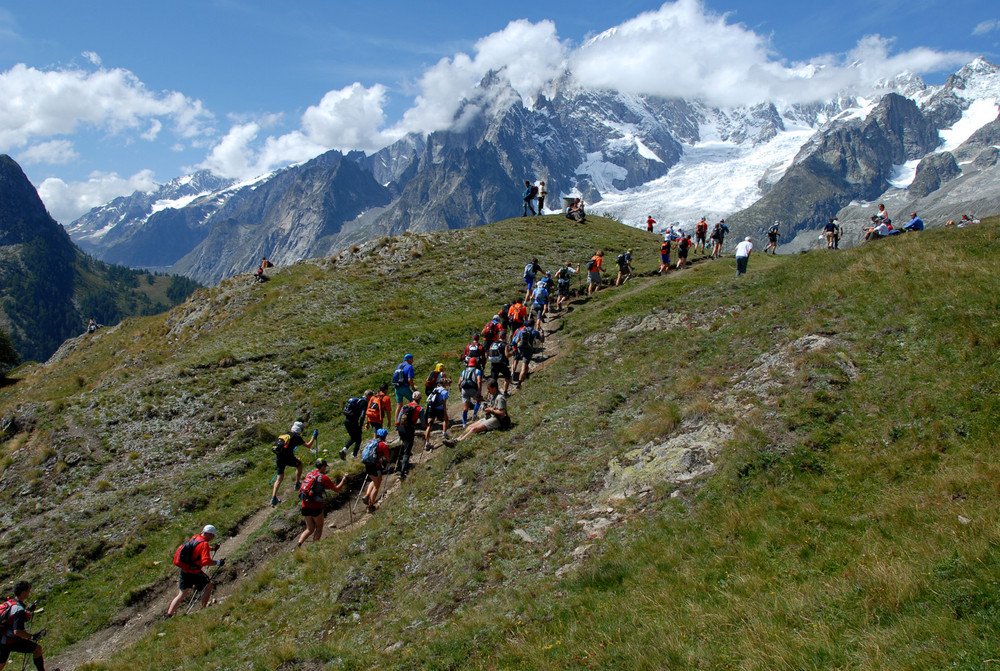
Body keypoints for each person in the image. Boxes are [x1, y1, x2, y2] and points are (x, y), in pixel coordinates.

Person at [167, 525, 225, 616]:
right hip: (195, 572)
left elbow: (196, 547)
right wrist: (218, 562)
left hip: (184, 570)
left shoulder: (195, 537)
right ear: (209, 534)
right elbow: (205, 561)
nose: (212, 538)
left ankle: (169, 615)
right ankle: (203, 610)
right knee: (208, 586)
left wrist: (212, 549)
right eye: (212, 535)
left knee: (182, 593)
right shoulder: (204, 544)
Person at [0, 581, 52, 671]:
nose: (29, 593)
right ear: (23, 592)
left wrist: (28, 610)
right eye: (28, 591)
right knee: (37, 649)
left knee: (1, 665)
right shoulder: (19, 609)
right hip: (9, 641)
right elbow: (17, 631)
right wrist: (31, 636)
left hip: (2, 638)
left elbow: (11, 617)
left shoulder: (10, 603)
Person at [296, 459, 346, 546]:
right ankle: (315, 547)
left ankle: (299, 545)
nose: (326, 468)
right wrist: (344, 479)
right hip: (316, 506)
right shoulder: (323, 478)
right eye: (325, 466)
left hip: (305, 504)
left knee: (309, 529)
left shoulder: (309, 474)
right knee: (319, 528)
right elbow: (337, 489)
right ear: (323, 466)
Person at [444, 379, 509, 443]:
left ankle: (459, 441)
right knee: (470, 426)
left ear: (494, 388)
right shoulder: (494, 395)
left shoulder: (500, 398)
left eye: (489, 389)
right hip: (490, 416)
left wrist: (491, 410)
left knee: (474, 429)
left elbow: (502, 413)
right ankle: (458, 438)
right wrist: (487, 408)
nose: (487, 390)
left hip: (497, 420)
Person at [270, 421, 315, 506]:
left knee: (279, 478)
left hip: (279, 458)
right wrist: (313, 436)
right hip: (288, 458)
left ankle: (273, 497)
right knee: (299, 465)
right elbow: (308, 445)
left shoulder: (285, 434)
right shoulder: (296, 437)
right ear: (300, 430)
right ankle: (297, 483)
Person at [394, 392, 424, 480]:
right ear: (420, 399)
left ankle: (400, 464)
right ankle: (403, 472)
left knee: (405, 444)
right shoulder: (420, 409)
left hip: (401, 428)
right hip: (409, 429)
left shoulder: (405, 407)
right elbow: (423, 423)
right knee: (408, 448)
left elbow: (399, 419)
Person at [361, 429, 391, 512]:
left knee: (373, 480)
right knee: (377, 485)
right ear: (385, 436)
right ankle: (371, 506)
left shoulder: (371, 441)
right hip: (376, 466)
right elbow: (388, 458)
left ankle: (367, 495)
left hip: (367, 465)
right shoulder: (383, 445)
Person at [339, 390, 373, 460]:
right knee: (358, 439)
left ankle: (344, 449)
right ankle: (354, 456)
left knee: (353, 437)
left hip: (347, 421)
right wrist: (361, 425)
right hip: (353, 422)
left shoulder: (358, 399)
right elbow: (363, 415)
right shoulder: (364, 402)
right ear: (369, 396)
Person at [511, 318, 544, 387]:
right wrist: (542, 334)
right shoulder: (535, 331)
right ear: (533, 324)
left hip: (520, 349)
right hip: (528, 350)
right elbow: (542, 341)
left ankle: (526, 375)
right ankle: (519, 383)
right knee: (524, 365)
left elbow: (516, 341)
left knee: (525, 363)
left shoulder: (522, 330)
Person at [423, 377, 451, 449]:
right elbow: (444, 403)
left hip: (431, 408)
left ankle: (427, 442)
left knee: (429, 425)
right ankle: (444, 433)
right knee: (445, 419)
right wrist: (445, 413)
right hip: (439, 408)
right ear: (445, 384)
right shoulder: (445, 392)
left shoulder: (435, 389)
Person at [459, 358, 483, 426]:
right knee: (478, 400)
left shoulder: (463, 371)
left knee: (465, 407)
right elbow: (479, 381)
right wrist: (479, 392)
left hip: (464, 390)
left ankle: (464, 424)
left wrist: (461, 391)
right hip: (473, 389)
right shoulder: (477, 371)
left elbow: (459, 382)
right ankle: (474, 415)